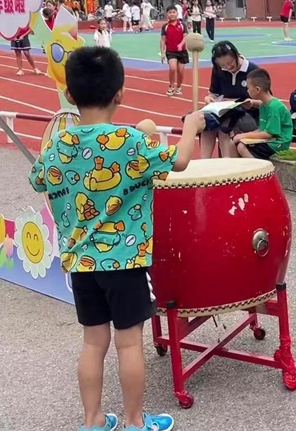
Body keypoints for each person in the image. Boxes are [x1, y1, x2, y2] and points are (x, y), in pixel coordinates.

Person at [28, 46, 206, 431]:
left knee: (93, 343)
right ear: (120, 93)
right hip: (125, 262)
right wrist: (191, 126)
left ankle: (92, 421)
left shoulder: (59, 145)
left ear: (70, 95)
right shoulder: (129, 141)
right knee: (128, 344)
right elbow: (179, 161)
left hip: (81, 263)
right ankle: (135, 422)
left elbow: (38, 178)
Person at [200, 41, 261, 158]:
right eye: (223, 66)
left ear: (236, 55)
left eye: (230, 63)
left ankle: (227, 163)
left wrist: (252, 103)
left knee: (225, 125)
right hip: (225, 110)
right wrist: (209, 98)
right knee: (206, 122)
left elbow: (267, 101)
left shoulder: (253, 71)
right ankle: (204, 162)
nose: (227, 67)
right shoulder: (218, 70)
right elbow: (214, 93)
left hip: (250, 114)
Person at [233, 68, 294, 160]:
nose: (247, 91)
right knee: (234, 142)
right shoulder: (264, 105)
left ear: (257, 89)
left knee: (241, 146)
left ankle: (258, 171)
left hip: (278, 144)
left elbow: (268, 134)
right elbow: (262, 130)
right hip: (271, 140)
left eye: (248, 88)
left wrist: (243, 135)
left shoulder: (274, 107)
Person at [160, 5, 187, 96]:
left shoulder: (182, 25)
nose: (172, 14)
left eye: (173, 12)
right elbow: (163, 40)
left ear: (177, 13)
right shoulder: (165, 27)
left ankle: (178, 86)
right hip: (171, 51)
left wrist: (181, 44)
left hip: (182, 51)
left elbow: (185, 37)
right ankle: (171, 86)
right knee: (172, 68)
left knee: (180, 72)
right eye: (170, 12)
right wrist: (163, 53)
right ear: (167, 14)